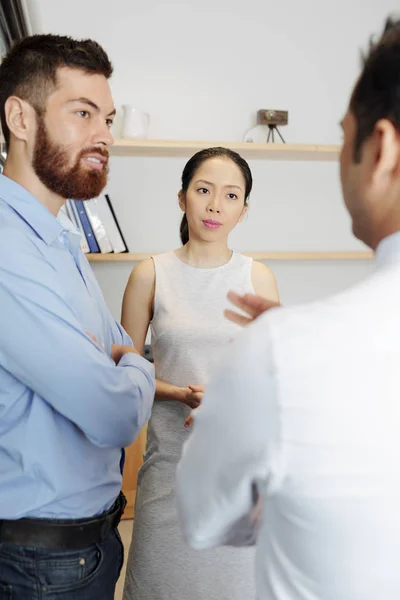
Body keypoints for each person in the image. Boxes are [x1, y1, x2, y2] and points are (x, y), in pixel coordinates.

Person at [176, 16, 400, 600]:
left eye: (343, 135)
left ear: (381, 151)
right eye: (203, 189)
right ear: (184, 197)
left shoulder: (287, 351)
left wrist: (270, 379)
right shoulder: (288, 343)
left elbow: (204, 517)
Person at [0, 35, 155, 600]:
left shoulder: (61, 239)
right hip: (36, 563)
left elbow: (115, 344)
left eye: (108, 118)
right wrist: (134, 366)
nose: (105, 137)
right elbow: (113, 412)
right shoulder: (7, 248)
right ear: (20, 116)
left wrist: (120, 359)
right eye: (83, 113)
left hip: (89, 546)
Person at [121, 146, 279, 600]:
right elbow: (124, 377)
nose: (215, 205)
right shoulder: (150, 274)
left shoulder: (258, 277)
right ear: (182, 197)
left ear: (244, 210)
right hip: (168, 473)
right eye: (204, 190)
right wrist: (179, 392)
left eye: (231, 196)